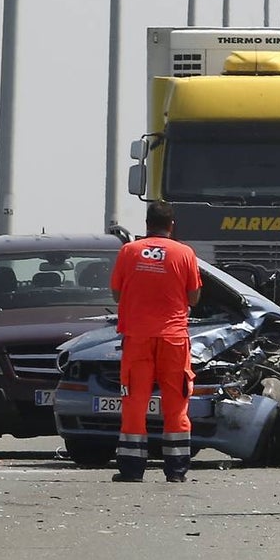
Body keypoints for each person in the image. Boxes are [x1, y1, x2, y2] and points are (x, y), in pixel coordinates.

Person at [109, 201, 202, 483]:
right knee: (177, 404)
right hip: (173, 338)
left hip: (138, 337)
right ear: (171, 225)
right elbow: (194, 297)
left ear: (147, 224)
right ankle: (176, 470)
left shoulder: (129, 251)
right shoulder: (185, 253)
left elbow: (116, 294)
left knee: (134, 403)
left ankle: (132, 469)